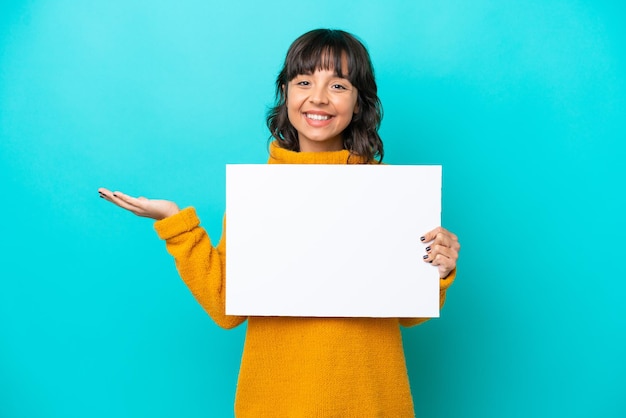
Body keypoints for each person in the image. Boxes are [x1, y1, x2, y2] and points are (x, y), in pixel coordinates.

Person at [99, 28, 460, 417]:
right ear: (286, 93)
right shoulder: (258, 194)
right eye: (304, 81)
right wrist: (177, 225)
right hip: (276, 404)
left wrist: (439, 268)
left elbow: (410, 314)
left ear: (359, 103)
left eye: (338, 84)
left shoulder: (393, 193)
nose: (318, 97)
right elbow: (226, 308)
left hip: (371, 401)